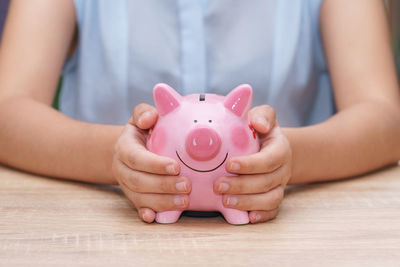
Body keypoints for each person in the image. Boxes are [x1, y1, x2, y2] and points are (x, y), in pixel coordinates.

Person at [0, 0, 399, 224]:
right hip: (105, 233)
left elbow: (385, 117)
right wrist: (119, 157)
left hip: (285, 239)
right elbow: (7, 110)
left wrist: (285, 159)